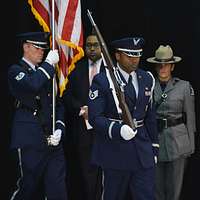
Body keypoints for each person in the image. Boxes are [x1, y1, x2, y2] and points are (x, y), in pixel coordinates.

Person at [88, 37, 159, 200]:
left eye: (137, 55)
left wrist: (154, 147)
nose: (134, 60)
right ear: (118, 56)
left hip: (142, 150)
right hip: (115, 151)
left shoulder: (147, 78)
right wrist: (117, 129)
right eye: (129, 55)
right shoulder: (103, 80)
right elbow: (95, 117)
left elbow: (150, 116)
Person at [8, 31, 68, 200]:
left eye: (44, 49)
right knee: (27, 187)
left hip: (52, 140)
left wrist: (60, 128)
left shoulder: (48, 74)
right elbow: (31, 85)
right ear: (26, 47)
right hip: (29, 139)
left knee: (57, 189)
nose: (42, 52)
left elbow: (58, 105)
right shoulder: (16, 70)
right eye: (38, 48)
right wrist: (49, 64)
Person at [146, 45, 196, 200]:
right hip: (155, 141)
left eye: (166, 64)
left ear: (172, 66)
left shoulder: (184, 86)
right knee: (157, 188)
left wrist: (191, 145)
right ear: (156, 66)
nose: (163, 67)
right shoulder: (148, 85)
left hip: (178, 142)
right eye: (159, 64)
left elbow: (191, 118)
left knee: (174, 190)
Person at [62, 33, 103, 200]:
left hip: (106, 129)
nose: (91, 49)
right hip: (83, 132)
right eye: (88, 45)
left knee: (107, 173)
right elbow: (66, 95)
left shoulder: (112, 69)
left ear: (102, 47)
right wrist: (80, 109)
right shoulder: (75, 68)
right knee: (87, 173)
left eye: (95, 45)